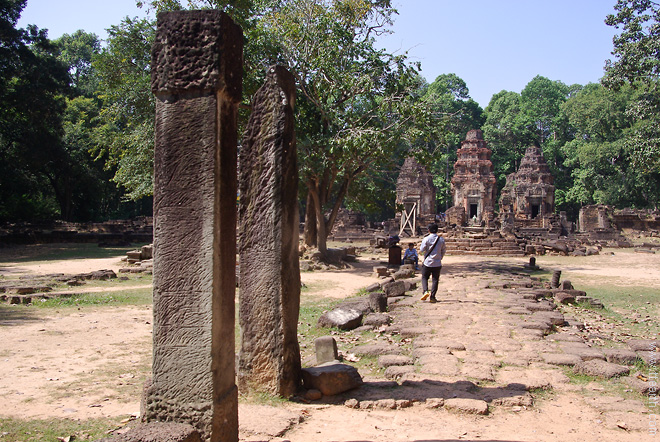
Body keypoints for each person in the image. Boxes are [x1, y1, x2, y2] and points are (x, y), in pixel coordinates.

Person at [419, 223, 446, 303]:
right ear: (437, 230)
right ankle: (433, 297)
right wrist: (440, 257)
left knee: (424, 277)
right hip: (437, 263)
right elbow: (443, 250)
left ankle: (425, 291)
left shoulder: (426, 239)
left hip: (428, 262)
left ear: (428, 230)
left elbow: (422, 249)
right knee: (435, 280)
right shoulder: (441, 240)